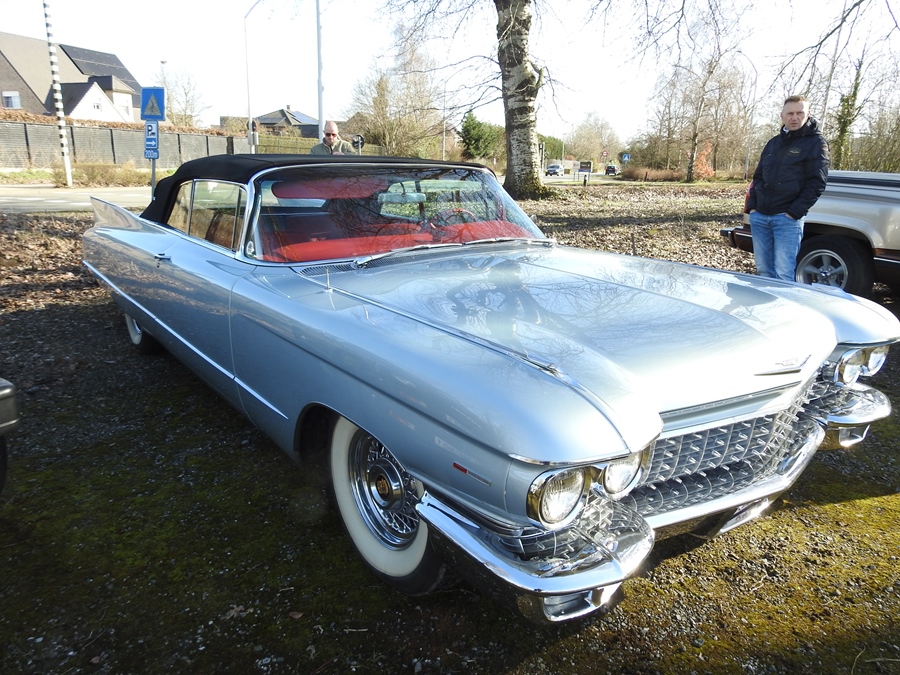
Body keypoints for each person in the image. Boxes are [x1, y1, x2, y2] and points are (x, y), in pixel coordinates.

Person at [745, 95, 829, 281]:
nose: (794, 118)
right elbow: (758, 177)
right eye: (790, 113)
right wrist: (752, 208)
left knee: (783, 274)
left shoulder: (816, 143)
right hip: (760, 217)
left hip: (787, 219)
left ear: (808, 114)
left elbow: (817, 182)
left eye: (800, 113)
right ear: (782, 115)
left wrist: (793, 213)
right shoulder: (773, 143)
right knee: (763, 272)